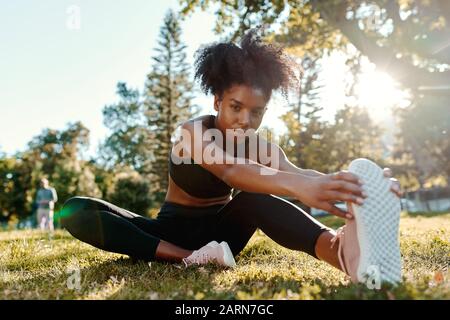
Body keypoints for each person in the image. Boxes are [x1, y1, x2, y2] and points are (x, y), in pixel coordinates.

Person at [61, 30, 403, 285]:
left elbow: (296, 172)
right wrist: (299, 186)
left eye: (257, 112)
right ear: (217, 102)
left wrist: (353, 188)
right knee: (76, 208)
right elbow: (229, 169)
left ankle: (346, 254)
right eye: (235, 107)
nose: (245, 120)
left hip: (222, 238)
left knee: (257, 198)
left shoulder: (261, 146)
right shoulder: (192, 132)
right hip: (166, 233)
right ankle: (189, 259)